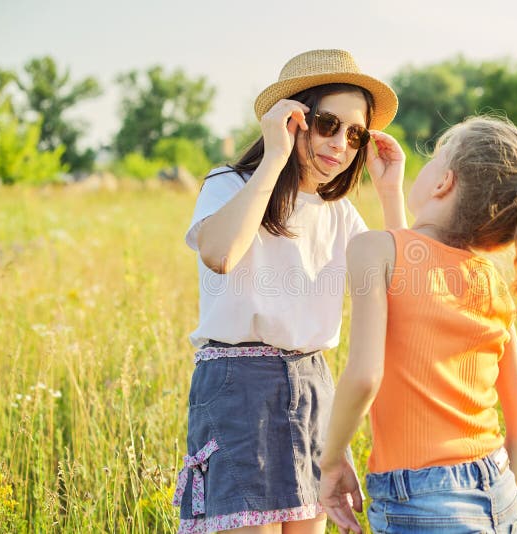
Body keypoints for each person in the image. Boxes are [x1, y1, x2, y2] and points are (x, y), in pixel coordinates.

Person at [319, 116, 517, 533]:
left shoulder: (371, 250)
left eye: (434, 157)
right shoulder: (492, 284)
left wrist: (330, 460)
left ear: (443, 182)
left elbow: (364, 376)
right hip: (498, 491)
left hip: (420, 500)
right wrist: (388, 191)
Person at [173, 49, 406, 534]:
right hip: (239, 387)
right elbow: (220, 252)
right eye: (327, 124)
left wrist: (390, 194)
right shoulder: (229, 184)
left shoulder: (340, 214)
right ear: (293, 119)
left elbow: (399, 291)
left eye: (355, 134)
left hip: (314, 388)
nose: (341, 143)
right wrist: (275, 155)